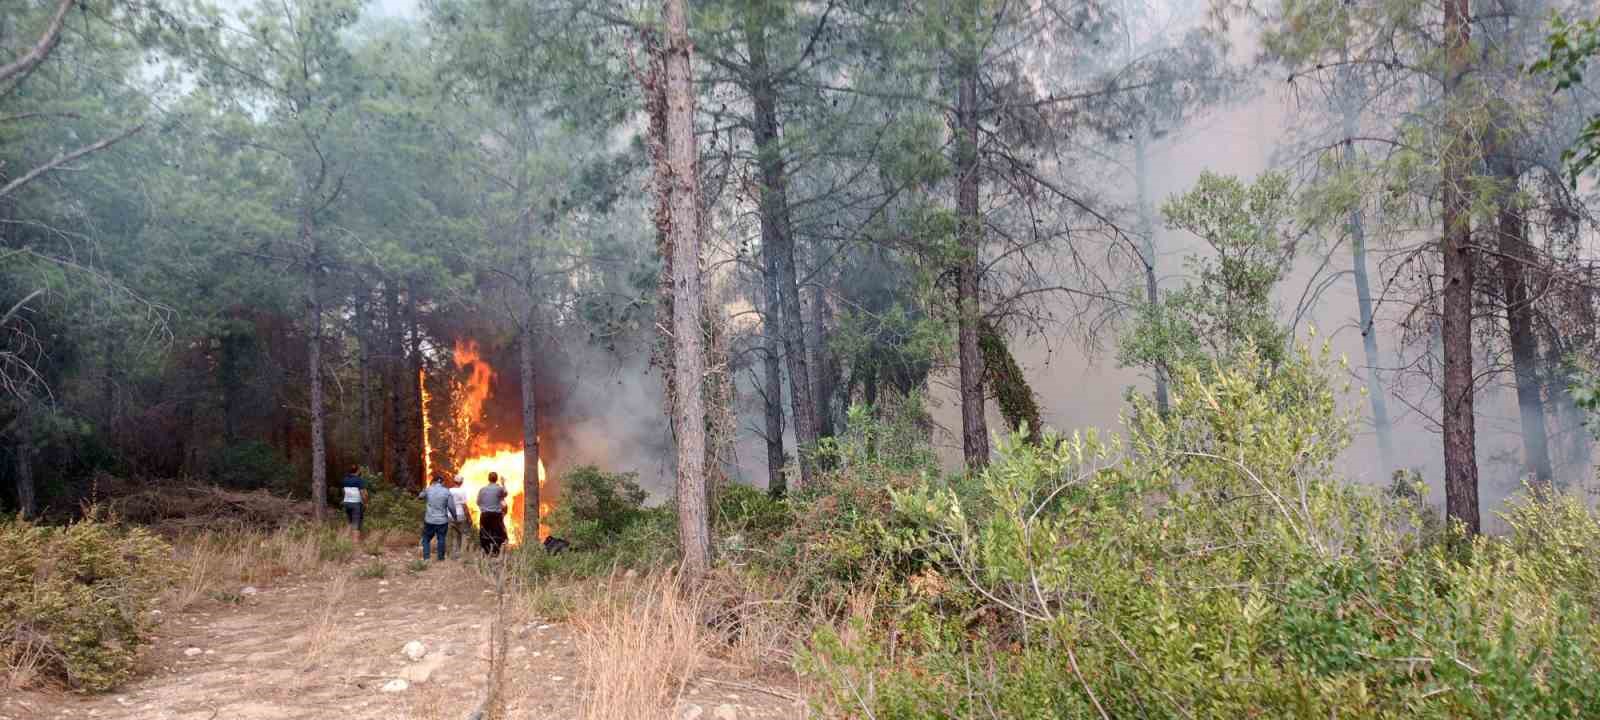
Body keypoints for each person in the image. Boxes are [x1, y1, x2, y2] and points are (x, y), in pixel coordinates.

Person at [418, 475, 457, 562]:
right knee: (441, 538)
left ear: (434, 482)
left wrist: (425, 490)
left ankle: (426, 558)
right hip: (442, 520)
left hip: (429, 520)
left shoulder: (428, 489)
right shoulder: (447, 492)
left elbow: (420, 496)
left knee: (426, 538)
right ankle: (440, 558)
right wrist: (455, 517)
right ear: (442, 482)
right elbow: (451, 507)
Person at [477, 472, 509, 556]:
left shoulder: (482, 489)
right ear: (496, 479)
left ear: (488, 479)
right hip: (496, 515)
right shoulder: (499, 489)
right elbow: (505, 493)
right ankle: (496, 551)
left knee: (484, 533)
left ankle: (486, 551)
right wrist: (503, 484)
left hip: (485, 515)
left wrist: (483, 508)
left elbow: (478, 502)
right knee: (498, 533)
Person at [340, 466, 367, 538]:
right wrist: (365, 503)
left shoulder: (345, 480)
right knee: (356, 525)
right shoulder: (359, 480)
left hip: (347, 503)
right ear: (357, 471)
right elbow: (362, 493)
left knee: (350, 523)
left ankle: (343, 540)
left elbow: (343, 492)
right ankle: (355, 543)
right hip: (356, 504)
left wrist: (344, 500)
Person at [447, 475, 471, 559]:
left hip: (450, 515)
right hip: (460, 515)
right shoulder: (462, 491)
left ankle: (454, 554)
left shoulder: (449, 490)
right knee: (465, 534)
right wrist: (469, 517)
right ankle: (463, 553)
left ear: (454, 481)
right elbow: (464, 506)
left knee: (455, 535)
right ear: (461, 482)